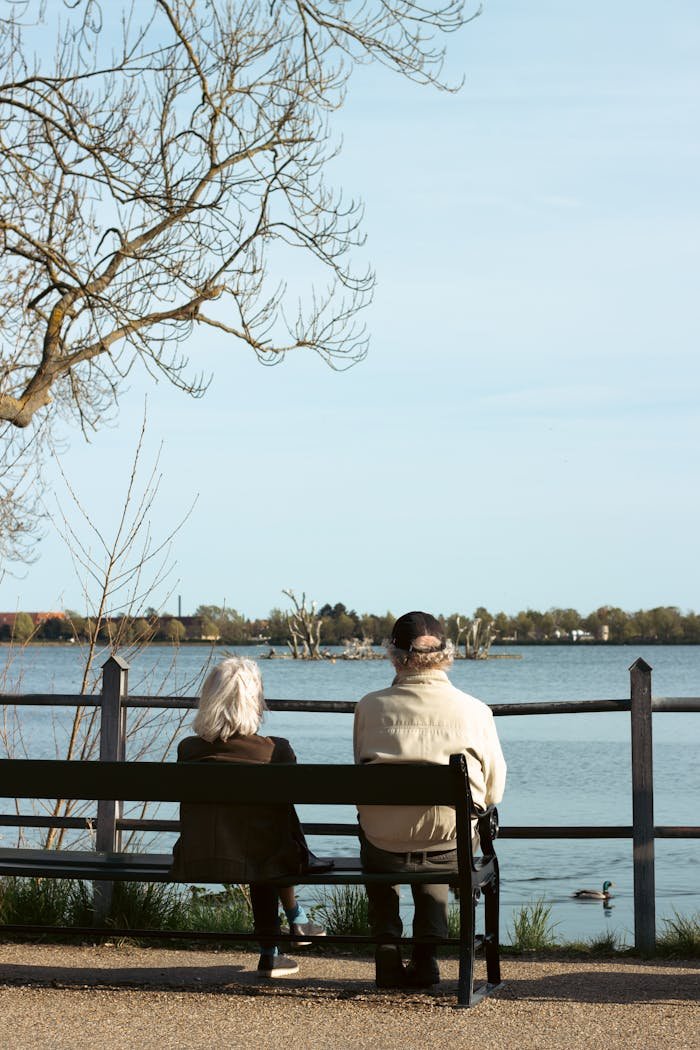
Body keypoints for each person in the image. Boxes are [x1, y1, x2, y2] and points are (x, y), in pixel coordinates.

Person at [353, 610, 506, 989]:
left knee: (388, 829)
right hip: (448, 847)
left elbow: (360, 771)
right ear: (446, 655)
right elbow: (493, 791)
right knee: (447, 826)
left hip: (383, 845)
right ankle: (426, 957)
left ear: (394, 655)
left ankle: (387, 953)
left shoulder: (369, 706)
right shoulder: (475, 710)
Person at [171, 656, 330, 978]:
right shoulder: (275, 751)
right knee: (268, 836)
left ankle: (288, 930)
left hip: (199, 856)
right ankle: (286, 931)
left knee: (262, 836)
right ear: (254, 701)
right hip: (264, 859)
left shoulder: (188, 750)